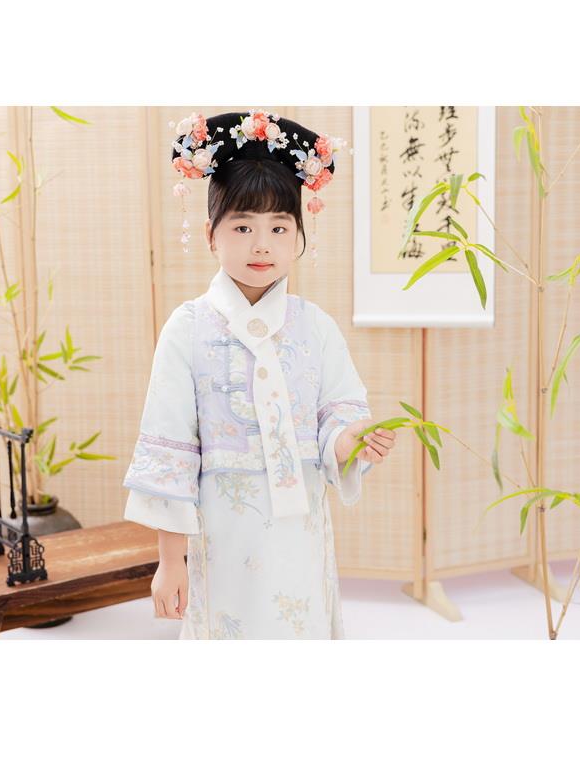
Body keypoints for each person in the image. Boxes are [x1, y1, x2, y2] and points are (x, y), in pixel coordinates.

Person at [122, 109, 396, 638]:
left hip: (299, 535)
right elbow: (170, 450)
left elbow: (337, 416)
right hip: (221, 536)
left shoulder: (315, 327)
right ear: (211, 235)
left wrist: (348, 442)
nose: (262, 244)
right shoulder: (188, 328)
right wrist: (170, 560)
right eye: (243, 226)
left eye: (279, 227)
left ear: (299, 237)